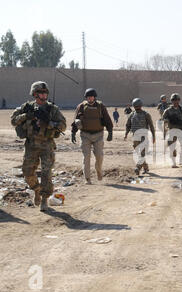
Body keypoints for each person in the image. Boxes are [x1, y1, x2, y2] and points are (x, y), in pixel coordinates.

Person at [10, 81, 66, 211]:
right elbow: (13, 121)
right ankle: (36, 189)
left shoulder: (52, 109)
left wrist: (49, 124)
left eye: (45, 92)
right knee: (27, 172)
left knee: (46, 173)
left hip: (47, 145)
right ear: (35, 94)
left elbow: (63, 126)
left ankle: (44, 199)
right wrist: (27, 116)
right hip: (31, 145)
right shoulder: (26, 107)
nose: (44, 94)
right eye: (41, 92)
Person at [71, 88, 113, 184]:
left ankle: (99, 171)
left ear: (94, 97)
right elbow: (75, 121)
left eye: (92, 97)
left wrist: (110, 132)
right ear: (86, 98)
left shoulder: (100, 106)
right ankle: (87, 179)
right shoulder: (81, 107)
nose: (90, 99)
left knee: (99, 156)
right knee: (86, 157)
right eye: (88, 97)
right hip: (85, 135)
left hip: (98, 134)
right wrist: (73, 133)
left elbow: (107, 119)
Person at [124, 98, 155, 175]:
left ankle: (138, 168)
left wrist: (154, 136)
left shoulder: (146, 114)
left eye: (138, 106)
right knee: (138, 153)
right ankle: (146, 167)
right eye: (135, 106)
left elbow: (151, 126)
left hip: (144, 137)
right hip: (135, 137)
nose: (136, 107)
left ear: (141, 106)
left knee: (142, 153)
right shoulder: (132, 115)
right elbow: (128, 125)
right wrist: (126, 134)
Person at [162, 93, 182, 167]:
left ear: (179, 100)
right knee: (171, 145)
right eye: (174, 100)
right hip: (172, 130)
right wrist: (168, 120)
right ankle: (173, 162)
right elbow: (163, 119)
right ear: (171, 101)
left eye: (177, 100)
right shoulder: (168, 111)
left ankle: (181, 157)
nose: (175, 102)